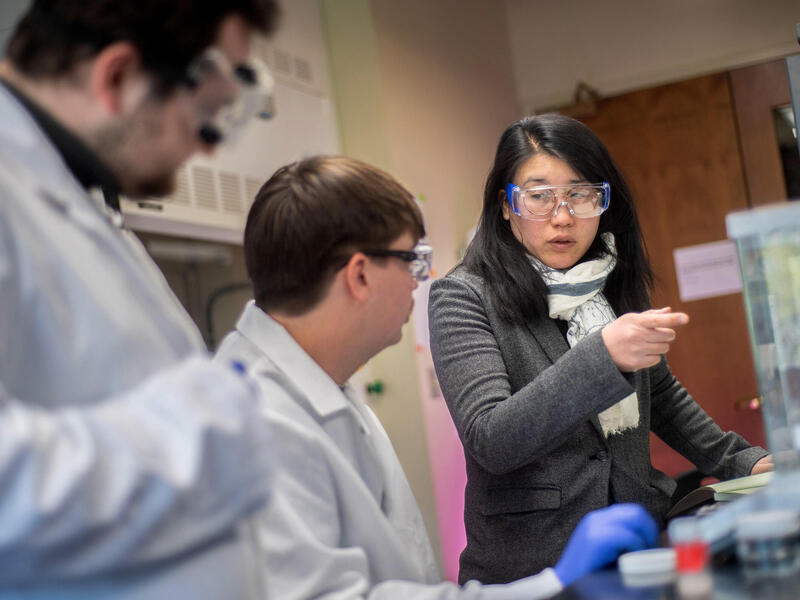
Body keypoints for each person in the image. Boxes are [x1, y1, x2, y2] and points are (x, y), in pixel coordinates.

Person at [215, 154, 660, 599]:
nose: (420, 280)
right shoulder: (257, 424)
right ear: (360, 275)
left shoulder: (324, 391)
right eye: (412, 260)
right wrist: (554, 583)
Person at [0, 0, 279, 590]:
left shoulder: (79, 200)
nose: (207, 149)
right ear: (118, 77)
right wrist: (197, 438)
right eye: (206, 114)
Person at [427, 113, 772, 585]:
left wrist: (740, 459)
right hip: (532, 565)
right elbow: (491, 438)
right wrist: (601, 357)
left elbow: (660, 394)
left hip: (640, 543)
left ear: (602, 202)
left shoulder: (608, 282)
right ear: (506, 206)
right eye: (540, 196)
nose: (563, 216)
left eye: (580, 194)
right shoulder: (464, 295)